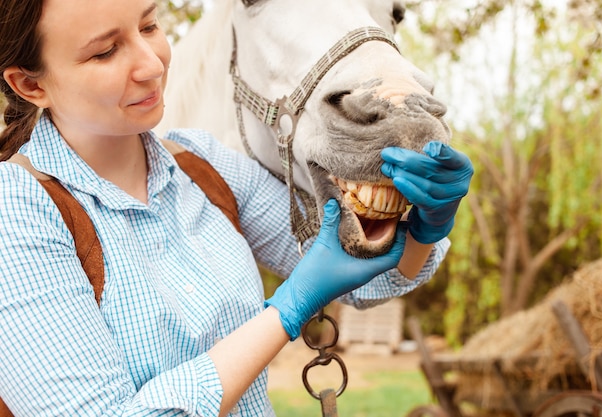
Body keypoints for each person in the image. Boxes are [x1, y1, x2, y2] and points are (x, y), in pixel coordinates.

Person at [0, 0, 473, 415]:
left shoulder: (204, 167)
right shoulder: (18, 208)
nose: (152, 64)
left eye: (148, 27)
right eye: (105, 51)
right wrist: (287, 308)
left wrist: (422, 228)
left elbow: (368, 277)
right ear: (29, 84)